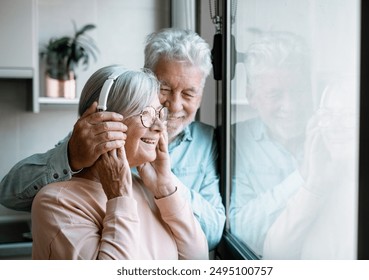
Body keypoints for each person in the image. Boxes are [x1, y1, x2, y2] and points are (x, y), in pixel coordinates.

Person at [0, 28, 225, 251]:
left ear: (201, 95)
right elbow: (9, 195)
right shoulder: (101, 135)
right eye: (164, 89)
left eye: (188, 94)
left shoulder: (207, 140)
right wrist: (71, 155)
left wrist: (167, 184)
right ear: (145, 80)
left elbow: (213, 234)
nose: (174, 106)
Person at [31, 65, 209, 260]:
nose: (159, 127)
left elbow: (198, 260)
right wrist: (120, 197)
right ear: (103, 121)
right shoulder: (57, 203)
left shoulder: (151, 191)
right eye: (147, 114)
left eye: (159, 114)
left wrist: (166, 188)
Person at [229, 31, 314, 258]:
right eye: (275, 94)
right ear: (251, 96)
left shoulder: (330, 135)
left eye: (299, 91)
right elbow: (242, 231)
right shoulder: (234, 140)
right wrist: (303, 177)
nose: (291, 106)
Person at [262, 77, 358, 259]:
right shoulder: (322, 185)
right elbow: (274, 254)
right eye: (327, 115)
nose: (334, 127)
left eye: (348, 115)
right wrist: (313, 186)